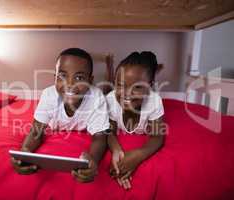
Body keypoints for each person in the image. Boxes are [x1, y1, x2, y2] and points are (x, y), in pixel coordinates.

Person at [11, 48, 110, 183]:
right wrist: (25, 151)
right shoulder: (49, 95)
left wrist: (93, 159)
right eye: (62, 76)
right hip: (54, 125)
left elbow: (99, 138)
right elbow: (36, 131)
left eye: (79, 78)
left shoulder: (97, 97)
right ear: (55, 77)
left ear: (90, 80)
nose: (69, 84)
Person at [107, 51, 166, 189]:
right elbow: (109, 132)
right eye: (120, 85)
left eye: (137, 87)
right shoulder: (110, 100)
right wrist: (117, 151)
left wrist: (137, 155)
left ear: (150, 87)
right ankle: (109, 68)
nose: (127, 93)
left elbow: (157, 136)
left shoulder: (154, 101)